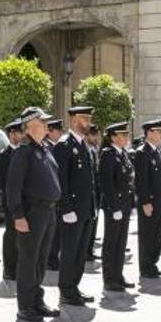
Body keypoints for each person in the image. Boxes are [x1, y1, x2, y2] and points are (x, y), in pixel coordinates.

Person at [6, 107, 62, 321]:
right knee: (29, 260)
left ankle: (37, 300)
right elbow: (13, 187)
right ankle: (26, 305)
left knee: (40, 260)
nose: (48, 125)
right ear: (31, 126)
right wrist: (18, 215)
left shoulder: (44, 148)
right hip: (32, 212)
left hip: (48, 212)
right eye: (43, 121)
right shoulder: (24, 151)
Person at [53, 106, 97, 305]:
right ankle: (66, 291)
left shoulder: (83, 145)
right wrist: (65, 208)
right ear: (72, 119)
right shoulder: (64, 145)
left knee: (80, 252)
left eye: (89, 118)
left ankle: (74, 287)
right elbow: (61, 180)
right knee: (70, 252)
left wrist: (92, 206)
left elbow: (89, 181)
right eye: (83, 118)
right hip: (71, 211)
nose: (87, 122)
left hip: (85, 209)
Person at [99, 122, 135, 292]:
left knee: (121, 242)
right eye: (123, 135)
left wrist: (131, 204)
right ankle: (109, 279)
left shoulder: (123, 154)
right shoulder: (108, 155)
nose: (126, 138)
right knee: (111, 242)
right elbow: (106, 184)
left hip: (125, 205)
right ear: (113, 137)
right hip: (115, 206)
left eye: (127, 134)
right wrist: (114, 208)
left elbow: (128, 182)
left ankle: (118, 275)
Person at [134, 119, 161, 278]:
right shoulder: (142, 152)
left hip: (160, 201)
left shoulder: (157, 151)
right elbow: (141, 180)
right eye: (158, 131)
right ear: (149, 133)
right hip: (150, 202)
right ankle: (146, 267)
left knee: (156, 235)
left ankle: (152, 264)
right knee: (148, 235)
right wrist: (145, 202)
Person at [0, 119, 23, 281]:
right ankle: (9, 268)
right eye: (19, 132)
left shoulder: (23, 152)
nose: (22, 135)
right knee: (11, 234)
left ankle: (19, 265)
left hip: (23, 201)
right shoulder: (4, 155)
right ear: (12, 134)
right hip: (10, 201)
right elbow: (5, 182)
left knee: (21, 235)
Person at [46, 118, 64, 271]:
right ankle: (50, 258)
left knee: (57, 230)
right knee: (52, 231)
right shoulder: (47, 148)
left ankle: (53, 256)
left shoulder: (57, 147)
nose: (60, 134)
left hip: (58, 194)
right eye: (58, 131)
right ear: (50, 131)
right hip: (49, 197)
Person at [86, 124, 102, 261]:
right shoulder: (86, 149)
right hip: (89, 191)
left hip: (96, 192)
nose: (97, 138)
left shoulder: (95, 150)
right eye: (94, 135)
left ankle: (89, 250)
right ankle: (85, 251)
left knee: (94, 222)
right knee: (89, 223)